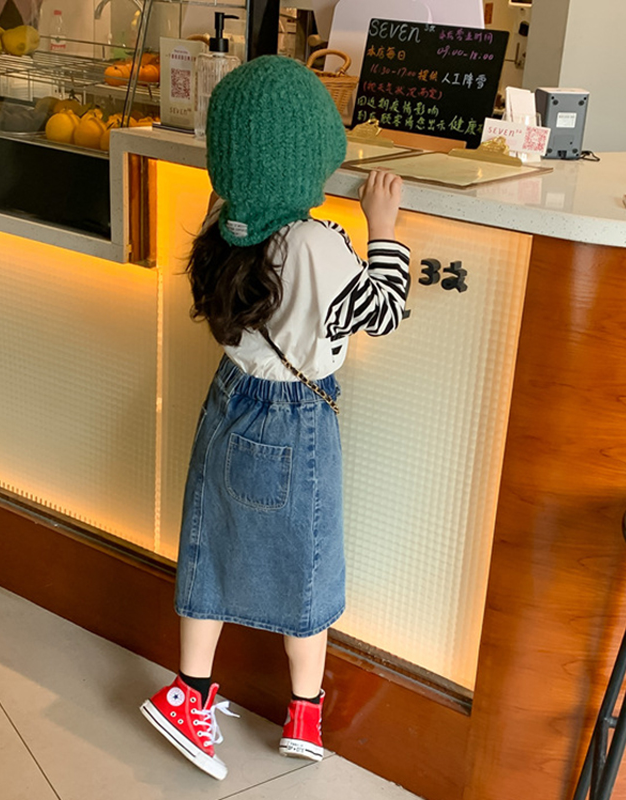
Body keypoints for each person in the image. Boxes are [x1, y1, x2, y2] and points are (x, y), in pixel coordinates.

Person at [140, 55, 410, 781]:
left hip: (230, 401)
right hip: (296, 421)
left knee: (211, 549)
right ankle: (304, 714)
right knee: (307, 566)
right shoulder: (316, 244)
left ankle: (189, 693)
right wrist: (383, 228)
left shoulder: (224, 225)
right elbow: (384, 310)